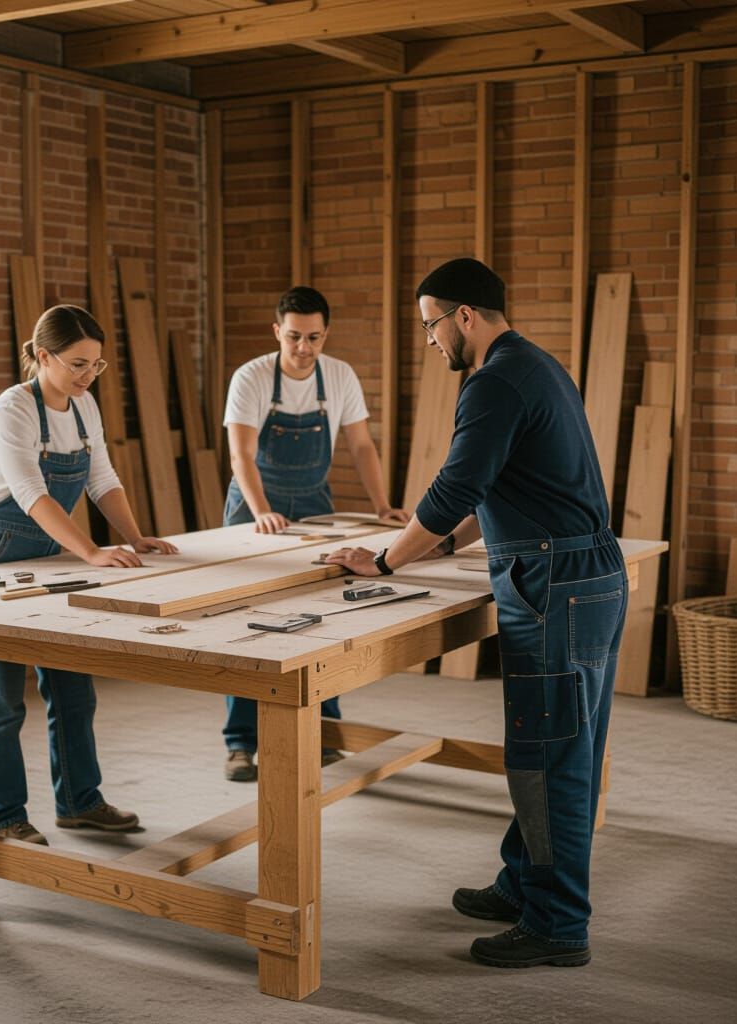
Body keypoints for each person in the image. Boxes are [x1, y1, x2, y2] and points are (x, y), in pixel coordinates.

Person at [324, 259, 627, 968]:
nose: (430, 340)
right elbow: (493, 490)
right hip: (580, 575)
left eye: (431, 324)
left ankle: (557, 925)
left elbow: (456, 485)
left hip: (557, 583)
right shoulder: (535, 365)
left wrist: (389, 560)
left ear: (465, 316)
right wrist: (432, 549)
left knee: (550, 759)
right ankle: (522, 884)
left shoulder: (492, 382)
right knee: (553, 748)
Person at [0, 305, 178, 845]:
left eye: (96, 365)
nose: (86, 376)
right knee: (0, 704)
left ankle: (79, 802)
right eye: (77, 364)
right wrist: (92, 552)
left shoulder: (84, 405)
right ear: (42, 355)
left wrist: (134, 534)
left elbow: (101, 477)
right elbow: (31, 493)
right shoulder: (13, 409)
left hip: (50, 553)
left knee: (73, 690)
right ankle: (2, 817)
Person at [220, 285, 409, 781]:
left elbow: (362, 446)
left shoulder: (339, 376)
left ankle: (323, 731)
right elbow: (241, 454)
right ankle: (241, 743)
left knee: (322, 617)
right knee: (244, 621)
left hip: (313, 503)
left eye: (315, 338)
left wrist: (382, 506)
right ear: (276, 331)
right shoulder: (252, 377)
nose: (304, 348)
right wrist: (260, 511)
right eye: (295, 337)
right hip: (254, 501)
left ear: (326, 334)